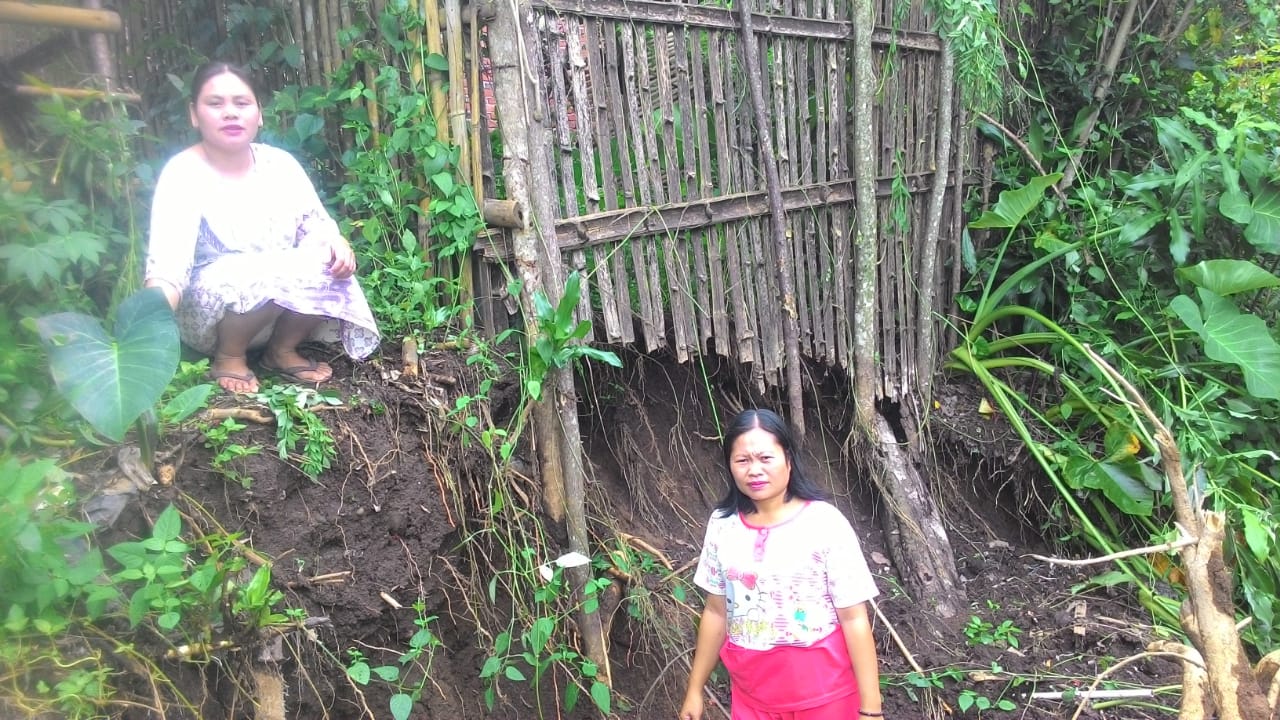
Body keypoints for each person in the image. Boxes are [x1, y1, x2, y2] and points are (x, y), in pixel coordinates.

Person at [145, 61, 380, 393]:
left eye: (242, 103)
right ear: (194, 115)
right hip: (211, 319)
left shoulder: (279, 164)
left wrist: (337, 243)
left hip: (278, 314)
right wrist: (145, 328)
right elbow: (168, 266)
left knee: (329, 259)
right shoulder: (183, 173)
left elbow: (316, 225)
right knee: (265, 270)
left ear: (259, 113)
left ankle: (281, 350)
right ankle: (228, 357)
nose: (230, 113)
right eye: (215, 104)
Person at [679, 409, 884, 720]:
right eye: (742, 460)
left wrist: (871, 710)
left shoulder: (825, 523)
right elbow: (716, 611)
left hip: (826, 697)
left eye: (765, 458)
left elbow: (854, 618)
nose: (754, 470)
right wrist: (695, 689)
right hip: (752, 698)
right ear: (730, 466)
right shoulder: (723, 525)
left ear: (788, 459)